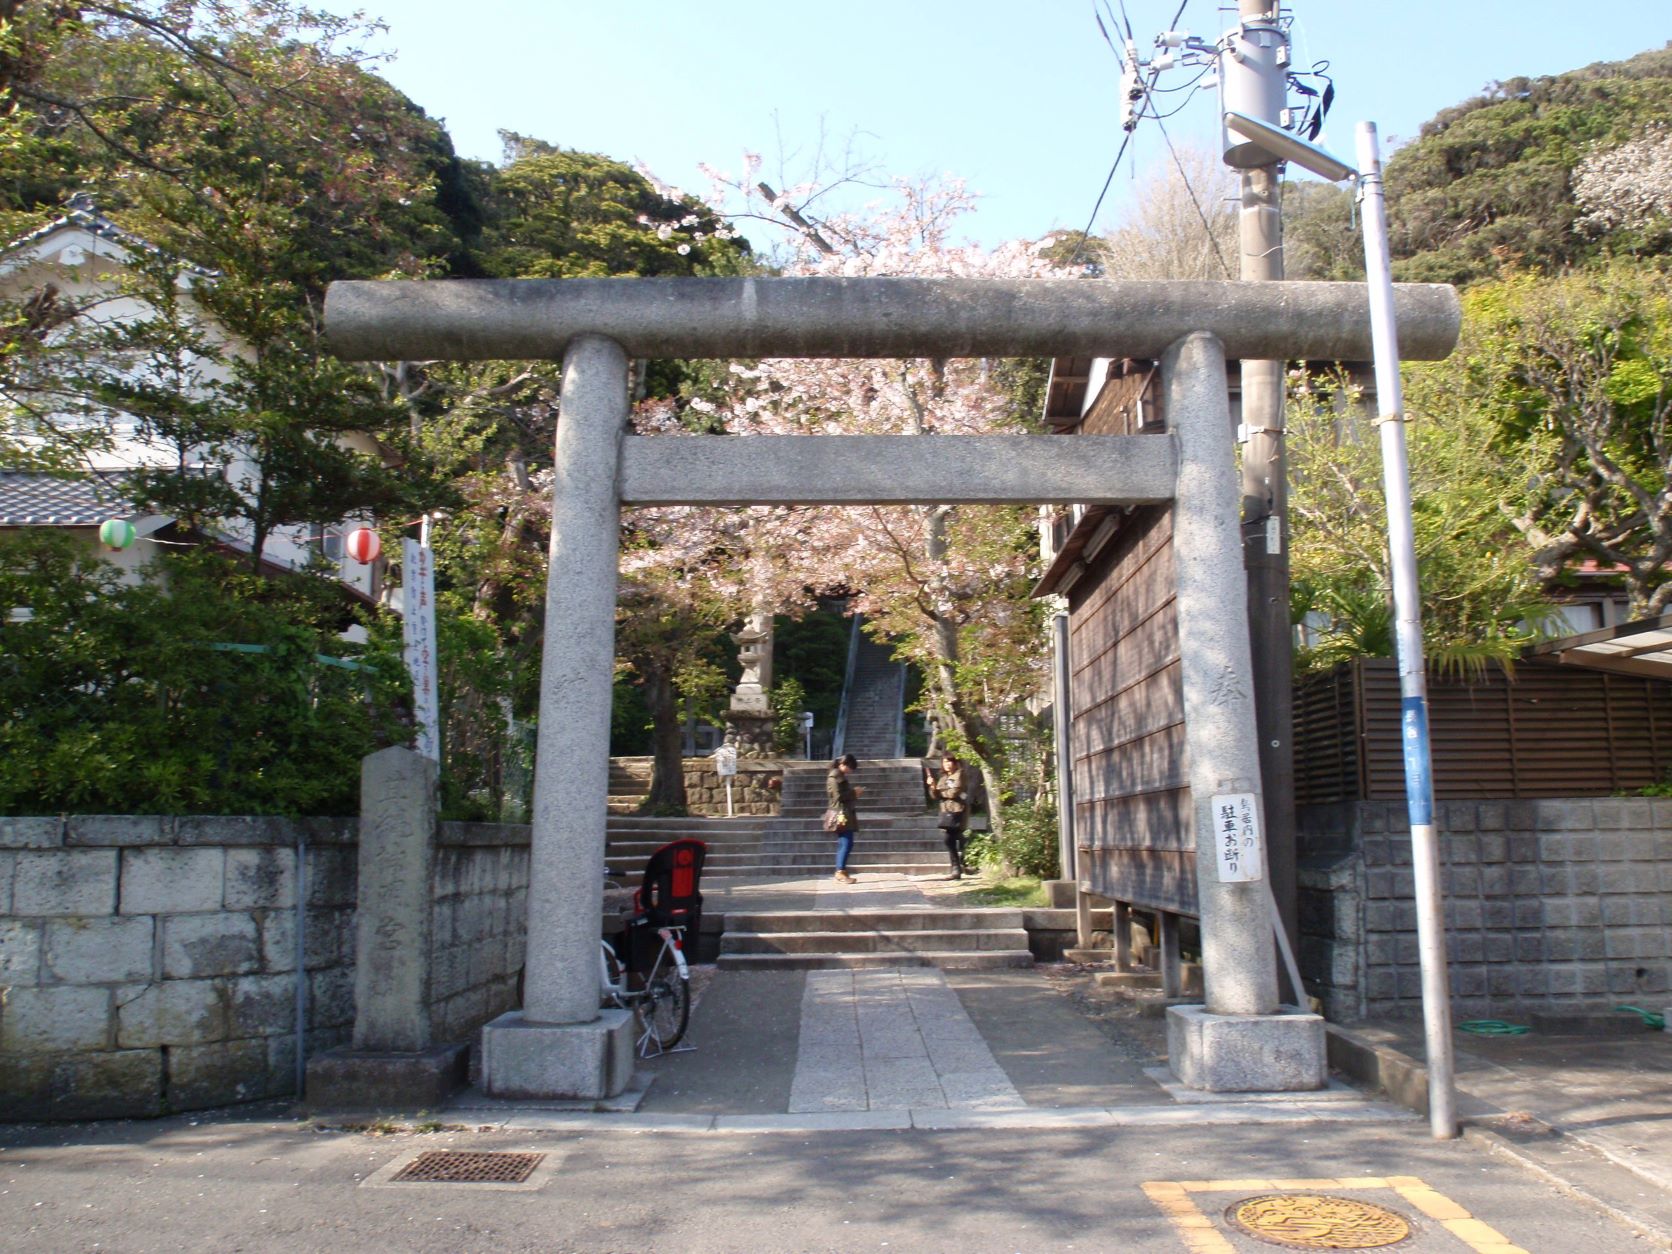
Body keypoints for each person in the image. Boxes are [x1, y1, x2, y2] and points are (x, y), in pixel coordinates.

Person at [926, 753, 969, 879]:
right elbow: (935, 796)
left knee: (950, 839)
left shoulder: (959, 774)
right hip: (946, 812)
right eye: (945, 762)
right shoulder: (943, 777)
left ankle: (958, 867)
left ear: (955, 763)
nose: (947, 764)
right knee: (951, 839)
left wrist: (940, 792)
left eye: (949, 761)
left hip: (957, 811)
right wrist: (932, 786)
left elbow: (954, 792)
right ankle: (958, 867)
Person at [826, 753, 862, 883]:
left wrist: (853, 793)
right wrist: (854, 793)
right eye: (850, 767)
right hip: (840, 814)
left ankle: (841, 870)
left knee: (844, 842)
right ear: (842, 764)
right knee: (846, 842)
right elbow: (838, 797)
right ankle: (840, 871)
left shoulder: (839, 776)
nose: (850, 770)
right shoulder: (834, 777)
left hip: (844, 812)